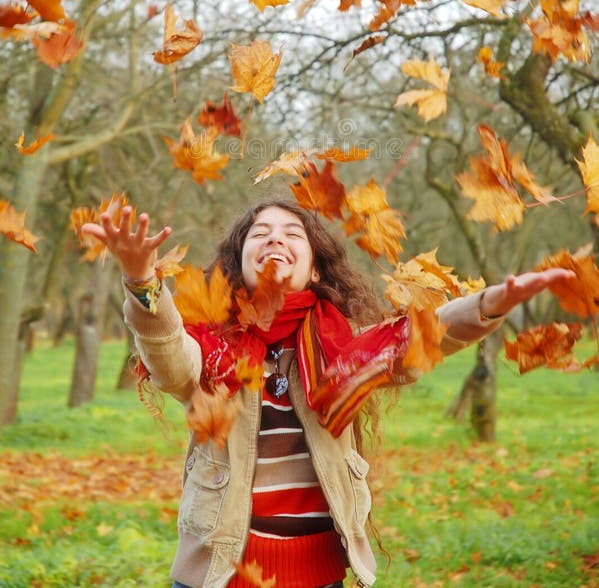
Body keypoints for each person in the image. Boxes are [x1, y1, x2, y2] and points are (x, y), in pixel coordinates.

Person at [82, 197, 574, 588]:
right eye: (262, 234)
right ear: (239, 266)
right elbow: (169, 358)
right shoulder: (210, 345)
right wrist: (143, 282)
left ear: (314, 270)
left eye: (292, 234)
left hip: (319, 576)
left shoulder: (343, 347)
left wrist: (490, 304)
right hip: (219, 574)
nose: (276, 239)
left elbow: (421, 336)